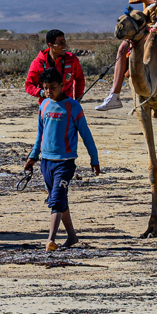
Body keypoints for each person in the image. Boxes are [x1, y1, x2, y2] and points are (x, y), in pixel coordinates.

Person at [25, 68, 101, 251]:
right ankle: (72, 237)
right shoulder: (43, 106)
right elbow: (40, 136)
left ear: (62, 85)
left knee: (57, 199)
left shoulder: (73, 107)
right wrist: (32, 158)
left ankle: (50, 239)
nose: (49, 91)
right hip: (46, 162)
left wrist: (94, 158)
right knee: (59, 201)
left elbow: (86, 135)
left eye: (52, 87)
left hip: (65, 163)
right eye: (46, 88)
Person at [24, 30, 86, 103]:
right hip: (47, 107)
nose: (64, 46)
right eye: (60, 43)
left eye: (64, 42)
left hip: (67, 105)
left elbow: (79, 78)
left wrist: (78, 99)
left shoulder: (72, 59)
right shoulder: (38, 63)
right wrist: (42, 93)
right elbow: (29, 85)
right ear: (50, 45)